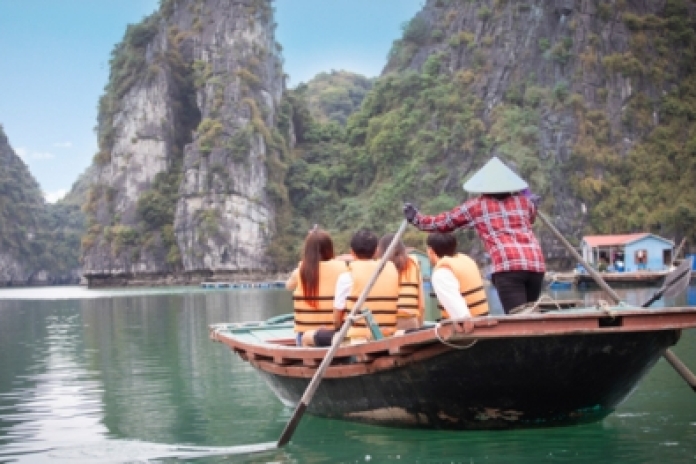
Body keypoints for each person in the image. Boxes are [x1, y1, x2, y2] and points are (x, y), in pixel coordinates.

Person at [403, 156, 546, 314]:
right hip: (535, 265)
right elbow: (531, 216)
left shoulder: (477, 206)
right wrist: (531, 200)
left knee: (519, 319)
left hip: (508, 267)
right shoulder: (524, 203)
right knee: (531, 317)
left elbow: (444, 223)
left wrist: (416, 219)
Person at [313, 229, 400, 346]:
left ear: (352, 253)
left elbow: (337, 319)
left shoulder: (346, 277)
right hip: (388, 335)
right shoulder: (390, 269)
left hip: (357, 340)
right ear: (376, 251)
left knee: (308, 337)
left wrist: (338, 328)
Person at [287, 226, 347, 346]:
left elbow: (288, 286)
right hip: (333, 334)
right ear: (330, 248)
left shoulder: (300, 271)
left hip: (305, 335)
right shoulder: (343, 268)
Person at [426, 232, 489, 319]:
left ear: (430, 251)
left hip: (469, 328)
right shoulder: (467, 260)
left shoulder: (442, 271)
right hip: (483, 322)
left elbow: (461, 315)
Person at [375, 233, 424, 330]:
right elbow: (422, 306)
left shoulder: (378, 268)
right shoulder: (414, 265)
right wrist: (419, 325)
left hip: (385, 324)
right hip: (410, 321)